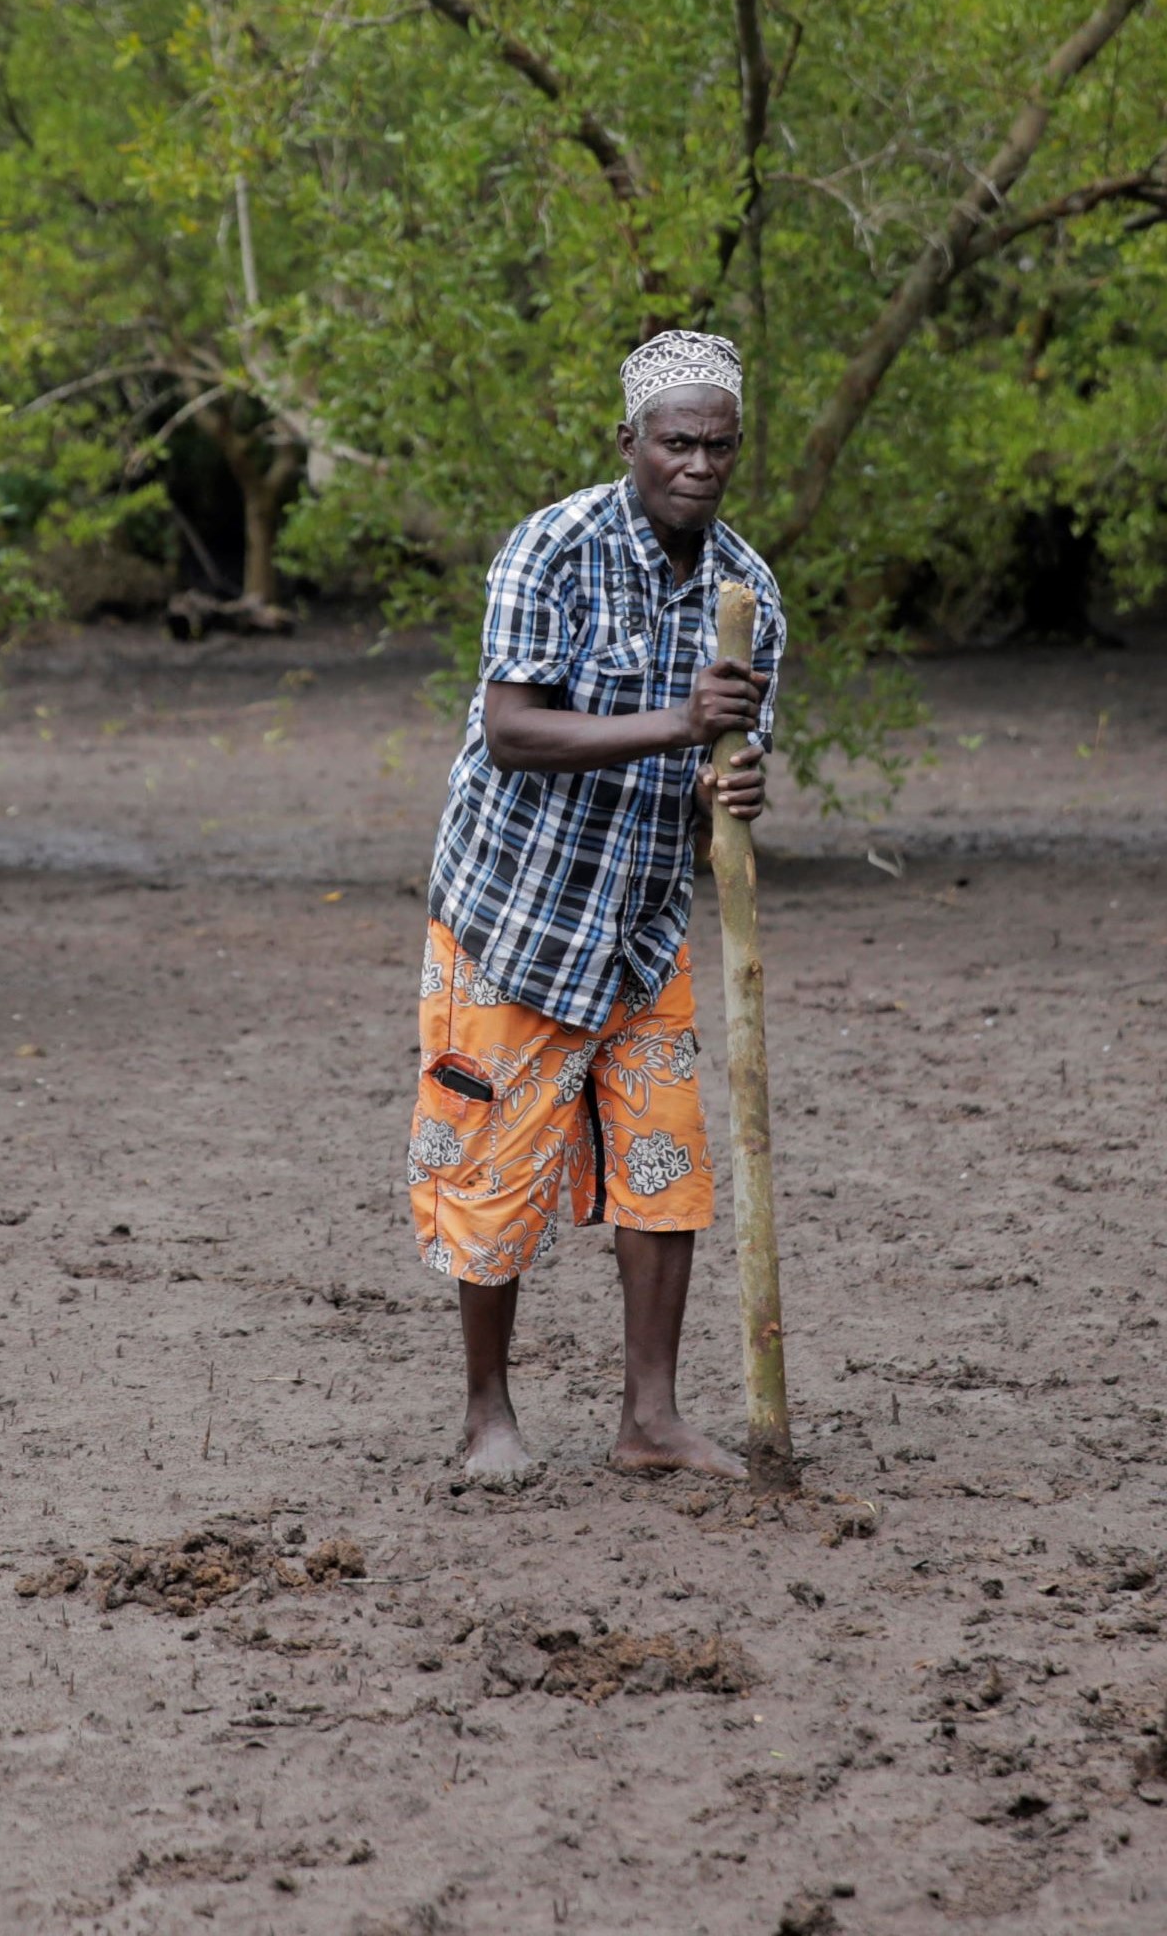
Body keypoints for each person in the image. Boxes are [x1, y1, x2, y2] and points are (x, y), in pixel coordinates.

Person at [408, 329, 783, 1479]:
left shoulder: (747, 593)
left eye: (719, 445)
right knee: (493, 1172)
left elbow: (729, 768)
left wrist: (736, 778)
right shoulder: (552, 550)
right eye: (677, 442)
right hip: (513, 919)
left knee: (664, 1170)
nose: (699, 465)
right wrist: (678, 724)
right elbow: (513, 730)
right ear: (630, 442)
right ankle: (488, 1418)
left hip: (641, 923)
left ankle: (650, 1422)